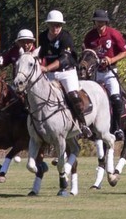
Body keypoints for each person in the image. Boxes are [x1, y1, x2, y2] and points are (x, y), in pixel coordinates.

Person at [39, 9, 97, 140]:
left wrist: (46, 68)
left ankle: (83, 125)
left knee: (73, 96)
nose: (56, 27)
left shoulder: (66, 37)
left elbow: (64, 59)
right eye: (53, 24)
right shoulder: (42, 37)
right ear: (48, 24)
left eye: (58, 25)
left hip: (67, 73)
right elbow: (40, 54)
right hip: (50, 75)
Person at [83, 8, 126, 142]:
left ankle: (117, 128)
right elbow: (86, 53)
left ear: (106, 22)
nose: (100, 24)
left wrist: (111, 60)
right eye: (97, 21)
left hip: (110, 72)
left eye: (102, 22)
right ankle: (87, 128)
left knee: (116, 99)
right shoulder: (90, 36)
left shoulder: (114, 34)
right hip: (95, 73)